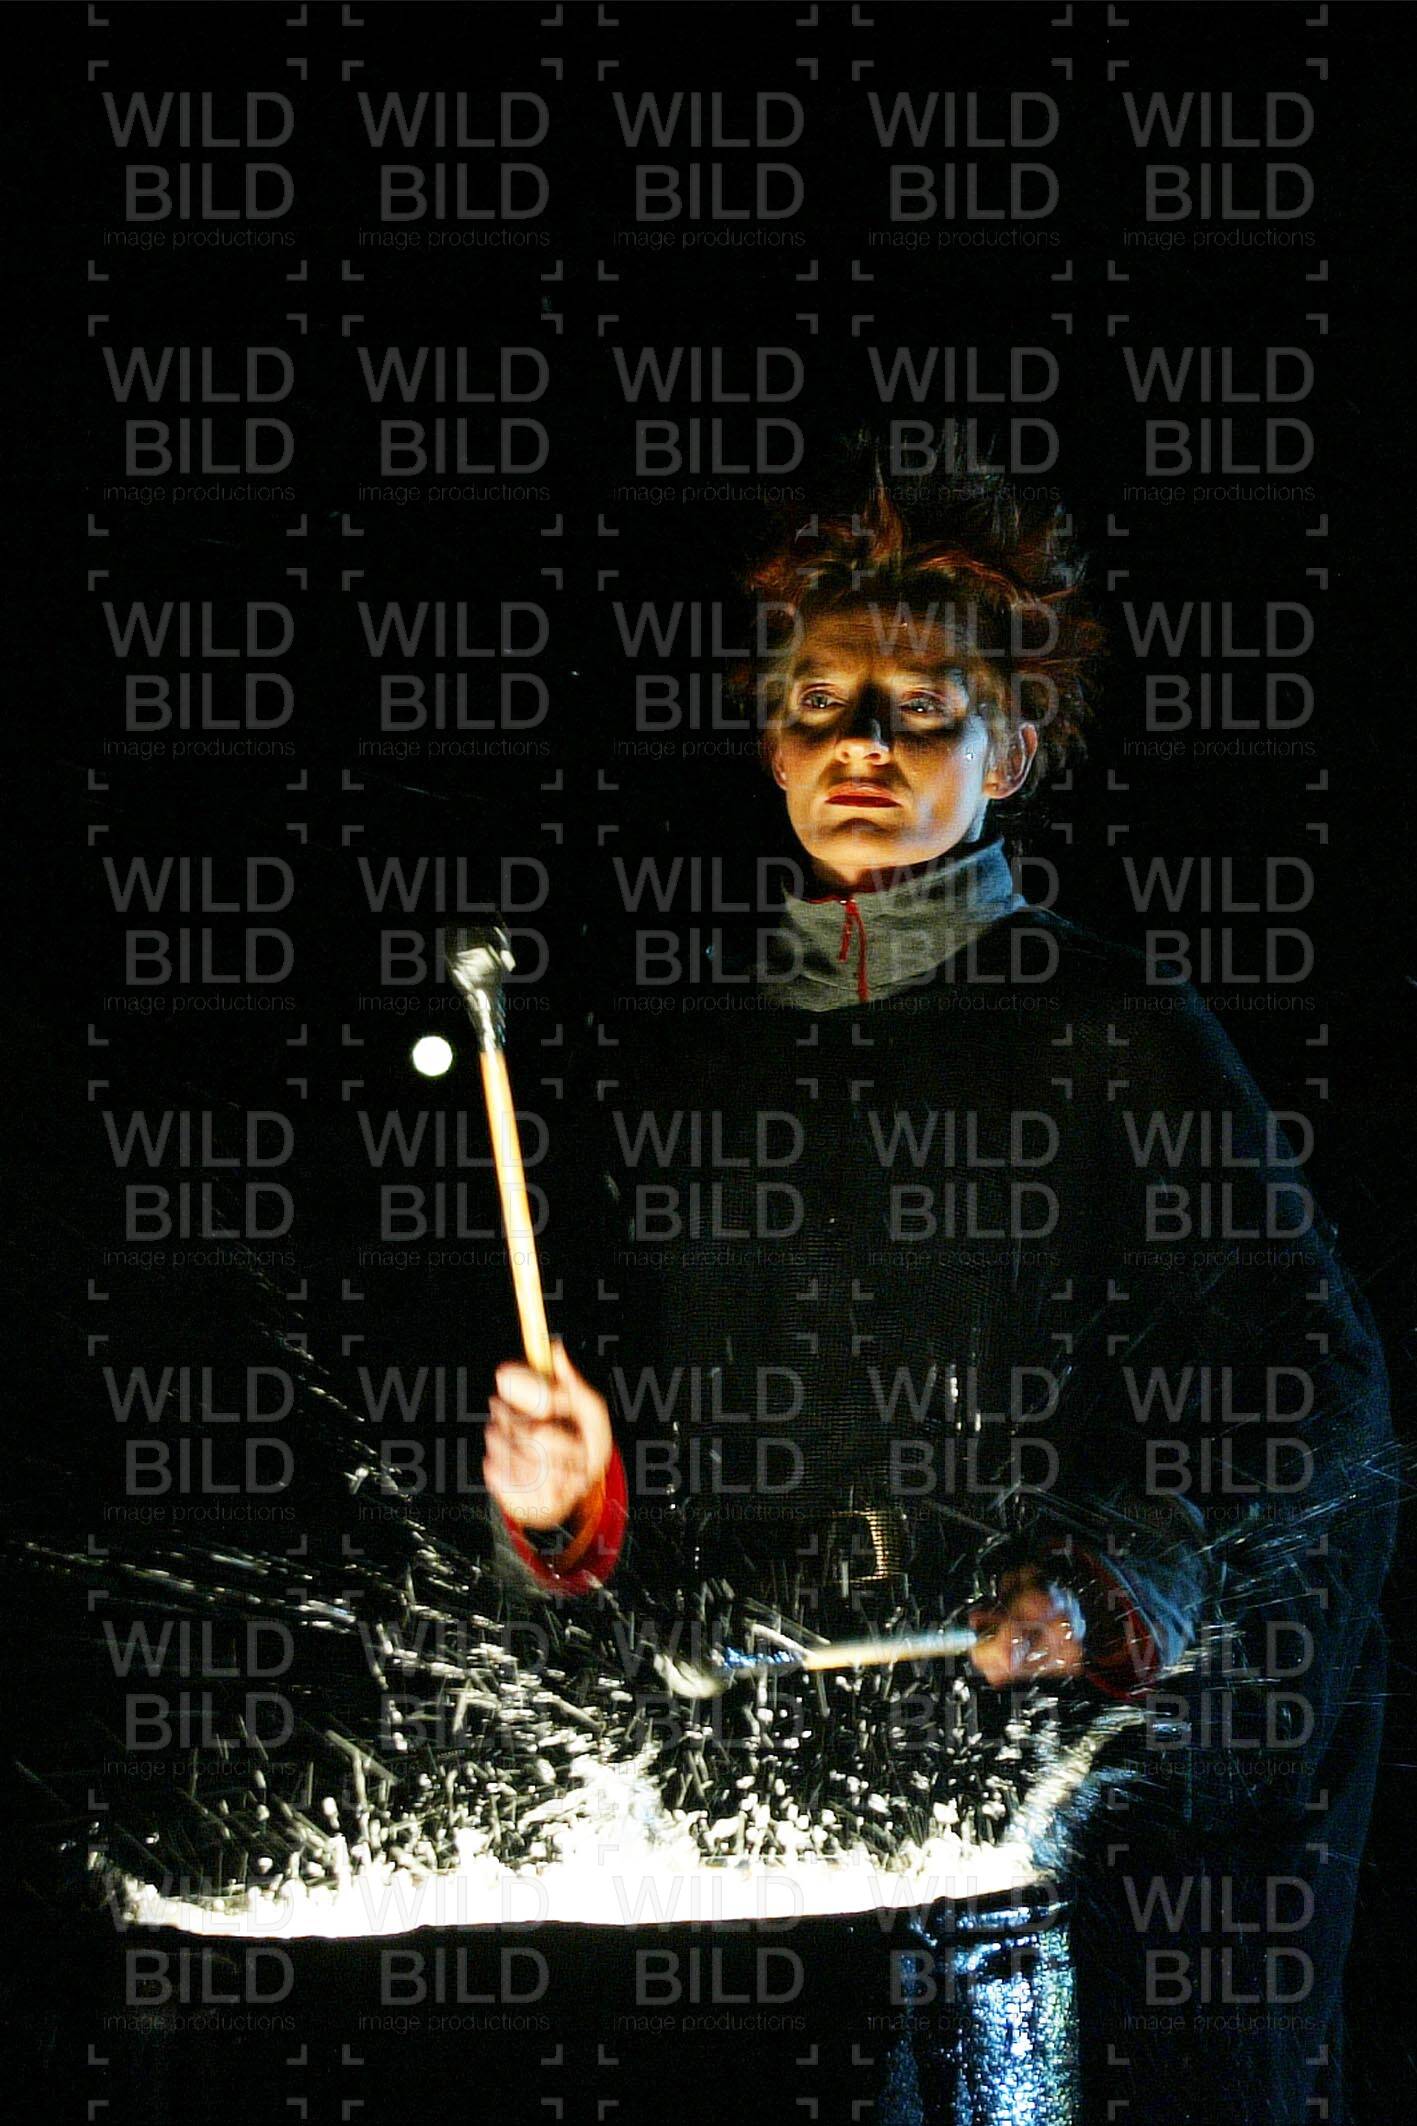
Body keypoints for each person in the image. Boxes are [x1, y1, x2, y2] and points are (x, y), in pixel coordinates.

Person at [483, 467, 1394, 2124]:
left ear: (1011, 754)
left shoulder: (1110, 1025)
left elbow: (1317, 1378)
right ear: (771, 745)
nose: (861, 743)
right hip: (766, 1783)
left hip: (1058, 1784)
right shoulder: (679, 1060)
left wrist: (1123, 1574)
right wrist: (566, 1504)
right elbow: (610, 1480)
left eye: (919, 709)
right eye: (819, 704)